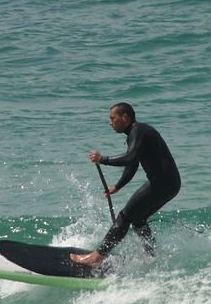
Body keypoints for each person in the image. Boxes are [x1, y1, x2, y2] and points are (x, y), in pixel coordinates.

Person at [71, 102, 181, 268]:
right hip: (170, 184)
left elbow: (130, 157)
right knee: (138, 219)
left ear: (125, 117)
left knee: (125, 216)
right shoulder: (136, 134)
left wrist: (103, 159)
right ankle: (152, 255)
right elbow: (133, 163)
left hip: (162, 183)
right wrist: (118, 186)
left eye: (112, 118)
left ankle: (96, 257)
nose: (110, 122)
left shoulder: (139, 131)